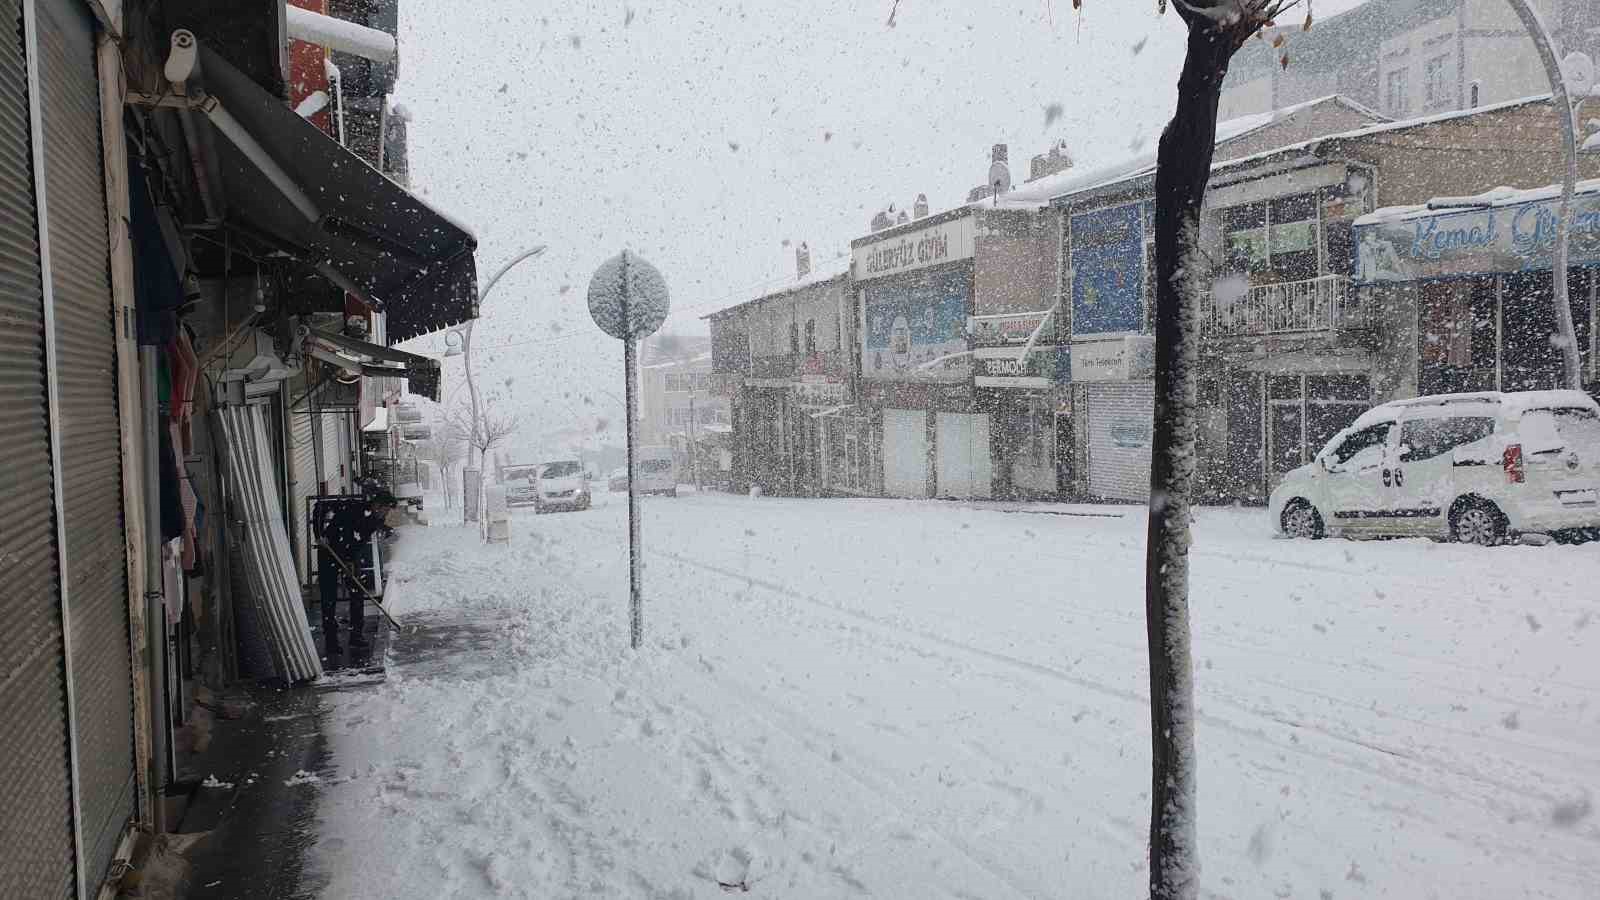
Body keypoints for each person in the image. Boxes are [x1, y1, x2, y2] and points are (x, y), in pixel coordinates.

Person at [314, 491, 397, 656]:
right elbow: (320, 507)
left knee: (357, 591)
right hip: (329, 552)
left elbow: (359, 541)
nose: (386, 514)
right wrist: (319, 535)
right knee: (329, 596)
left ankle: (356, 635)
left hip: (350, 555)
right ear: (377, 505)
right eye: (386, 509)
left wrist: (350, 561)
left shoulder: (376, 519)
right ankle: (331, 641)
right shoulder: (352, 506)